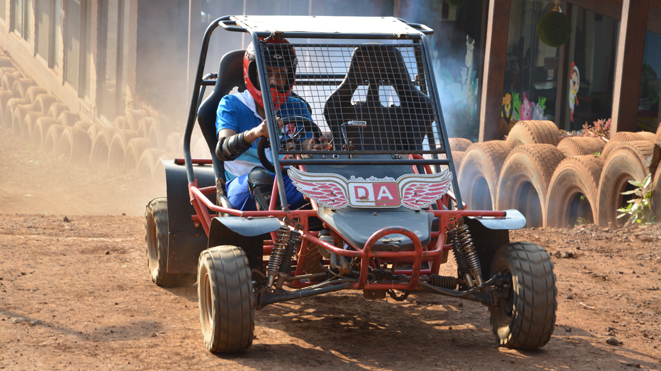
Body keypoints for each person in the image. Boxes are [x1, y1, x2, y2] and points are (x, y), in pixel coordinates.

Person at [214, 38, 321, 211]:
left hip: (285, 182)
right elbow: (223, 150)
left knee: (330, 181)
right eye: (267, 73)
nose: (272, 81)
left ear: (289, 78)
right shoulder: (231, 104)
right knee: (259, 177)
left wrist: (317, 149)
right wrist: (255, 133)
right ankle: (275, 229)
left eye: (280, 75)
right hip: (243, 187)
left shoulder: (297, 107)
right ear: (253, 74)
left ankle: (330, 233)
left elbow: (307, 147)